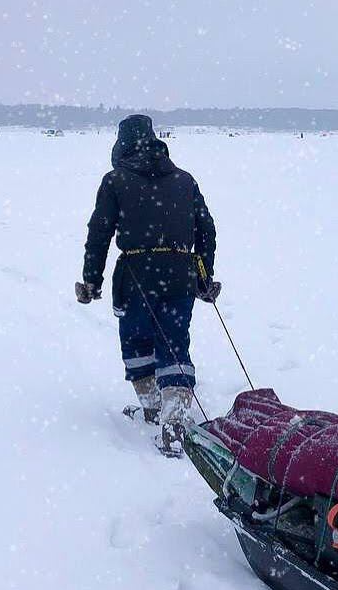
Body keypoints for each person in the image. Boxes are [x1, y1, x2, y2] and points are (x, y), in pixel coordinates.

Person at [76, 114, 220, 452]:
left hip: (136, 274)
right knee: (174, 343)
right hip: (180, 274)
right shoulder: (185, 180)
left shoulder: (115, 181)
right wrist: (204, 276)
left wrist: (91, 280)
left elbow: (99, 234)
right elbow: (206, 231)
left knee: (137, 342)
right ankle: (174, 419)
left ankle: (156, 410)